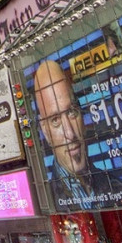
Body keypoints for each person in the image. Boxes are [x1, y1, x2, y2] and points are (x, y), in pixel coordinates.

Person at [30, 58, 98, 207]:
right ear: (45, 131)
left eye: (72, 112)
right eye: (55, 120)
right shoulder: (47, 200)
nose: (70, 133)